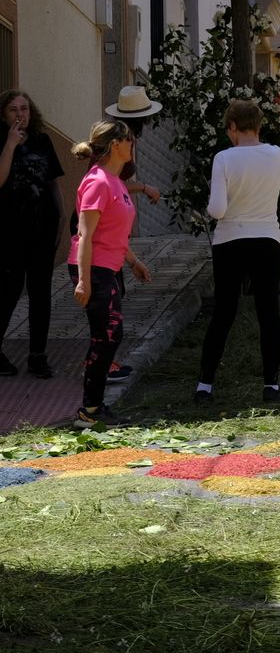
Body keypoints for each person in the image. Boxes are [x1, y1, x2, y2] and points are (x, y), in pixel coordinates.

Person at [194, 99, 280, 404]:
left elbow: (218, 210)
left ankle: (205, 384)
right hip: (267, 238)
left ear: (232, 126)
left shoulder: (223, 158)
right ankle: (271, 385)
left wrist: (206, 208)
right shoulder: (275, 155)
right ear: (259, 126)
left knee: (223, 312)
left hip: (230, 240)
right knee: (268, 311)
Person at [68, 120, 152, 428]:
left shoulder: (114, 181)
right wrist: (83, 280)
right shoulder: (98, 181)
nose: (133, 144)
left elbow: (112, 232)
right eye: (128, 140)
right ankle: (89, 411)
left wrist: (133, 260)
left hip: (109, 265)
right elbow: (86, 234)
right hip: (93, 267)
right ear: (115, 144)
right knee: (107, 335)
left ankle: (93, 408)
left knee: (109, 335)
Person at [102, 85, 165, 384]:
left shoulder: (125, 138)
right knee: (107, 302)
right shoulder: (118, 141)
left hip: (114, 231)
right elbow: (108, 185)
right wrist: (142, 187)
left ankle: (106, 362)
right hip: (104, 231)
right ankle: (104, 365)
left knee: (114, 297)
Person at [0, 90, 64, 379]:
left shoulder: (42, 139)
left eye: (24, 108)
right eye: (13, 109)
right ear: (4, 114)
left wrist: (62, 215)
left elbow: (52, 182)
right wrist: (11, 145)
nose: (20, 114)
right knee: (8, 291)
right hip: (9, 231)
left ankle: (38, 355)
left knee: (40, 294)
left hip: (42, 229)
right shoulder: (2, 140)